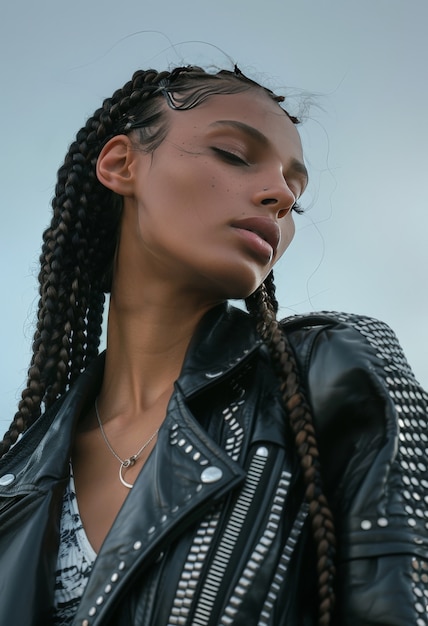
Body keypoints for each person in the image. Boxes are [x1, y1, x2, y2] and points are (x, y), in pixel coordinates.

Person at [0, 65, 426, 626]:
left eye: (295, 194)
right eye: (231, 153)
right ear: (121, 163)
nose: (278, 195)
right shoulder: (17, 478)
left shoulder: (330, 369)